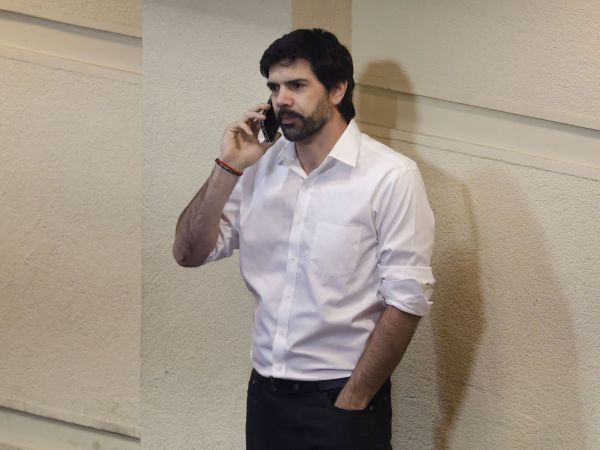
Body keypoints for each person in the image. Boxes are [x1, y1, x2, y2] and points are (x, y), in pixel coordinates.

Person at [172, 28, 435, 450]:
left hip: (342, 401)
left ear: (337, 90)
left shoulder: (390, 176)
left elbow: (407, 300)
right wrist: (228, 166)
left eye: (296, 85)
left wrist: (353, 400)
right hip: (266, 396)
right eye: (274, 87)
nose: (282, 100)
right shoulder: (257, 166)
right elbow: (188, 253)